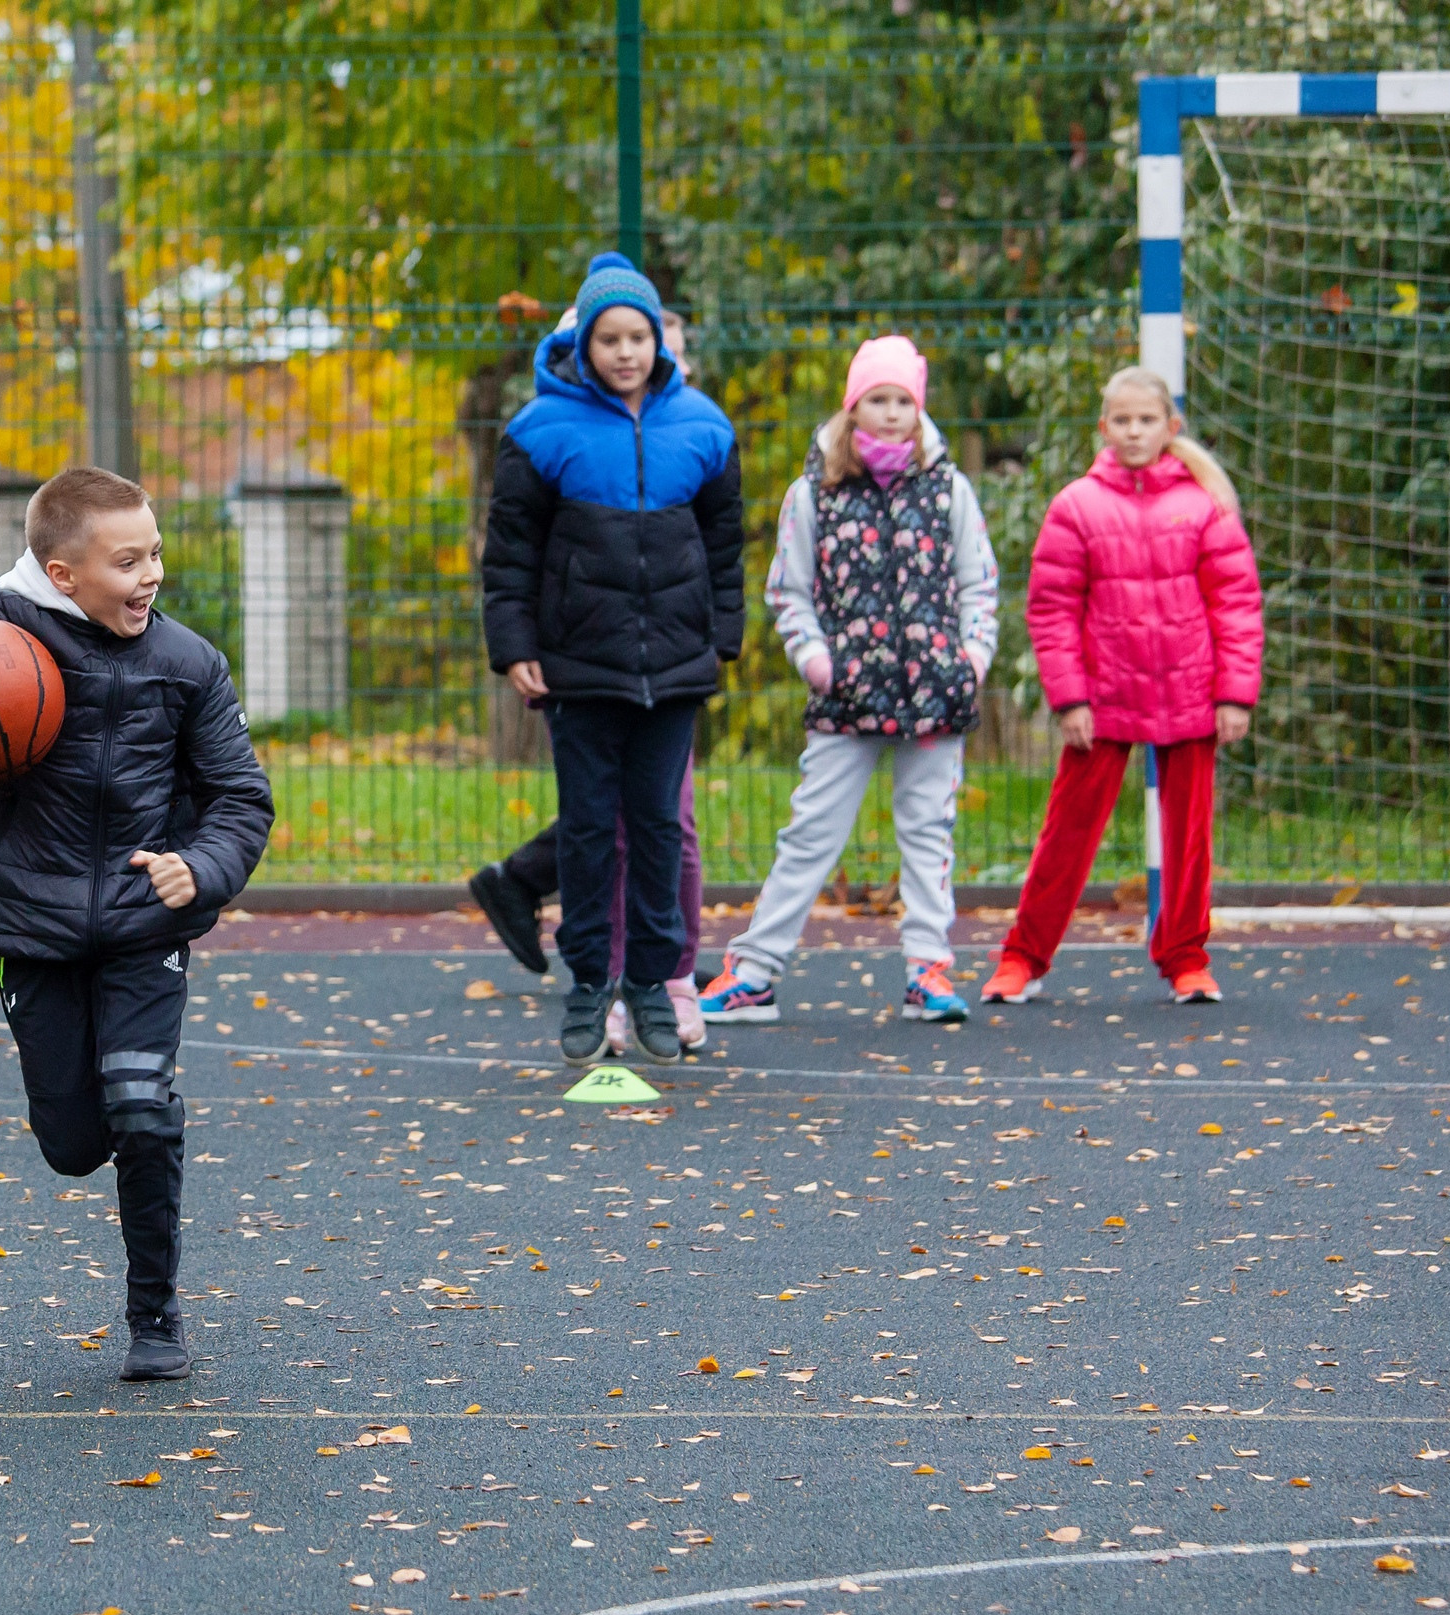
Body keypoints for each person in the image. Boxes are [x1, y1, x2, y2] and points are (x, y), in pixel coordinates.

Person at [0, 466, 274, 1380]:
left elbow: (240, 796)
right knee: (75, 1146)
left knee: (142, 1112)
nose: (150, 574)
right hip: (29, 926)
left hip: (142, 924)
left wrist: (204, 867)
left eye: (154, 553)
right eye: (127, 561)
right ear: (63, 574)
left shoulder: (187, 663)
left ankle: (156, 1317)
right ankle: (97, 1116)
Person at [480, 253, 744, 1065]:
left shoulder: (702, 425)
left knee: (660, 829)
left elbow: (725, 544)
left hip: (673, 667)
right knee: (593, 831)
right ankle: (590, 982)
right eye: (609, 338)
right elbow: (511, 554)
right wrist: (516, 645)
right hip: (579, 667)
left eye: (638, 336)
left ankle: (655, 987)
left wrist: (722, 636)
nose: (626, 352)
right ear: (584, 345)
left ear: (658, 342)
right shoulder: (539, 431)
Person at [695, 335, 1000, 1025]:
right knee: (811, 834)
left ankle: (929, 969)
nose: (891, 414)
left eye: (903, 401)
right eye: (878, 400)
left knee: (929, 833)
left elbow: (979, 583)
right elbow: (788, 589)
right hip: (847, 694)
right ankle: (754, 972)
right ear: (854, 406)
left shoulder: (948, 488)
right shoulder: (815, 494)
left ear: (917, 409)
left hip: (935, 694)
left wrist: (971, 659)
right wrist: (815, 659)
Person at [983, 367, 1262, 1005]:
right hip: (1102, 700)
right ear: (1104, 427)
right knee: (1067, 832)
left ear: (1171, 427)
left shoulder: (1204, 504)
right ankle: (1022, 957)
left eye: (1147, 420)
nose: (1134, 431)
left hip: (1191, 696)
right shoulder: (1077, 505)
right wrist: (1070, 698)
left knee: (1189, 839)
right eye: (1122, 420)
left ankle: (1186, 957)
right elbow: (1051, 609)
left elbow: (1236, 604)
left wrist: (1233, 695)